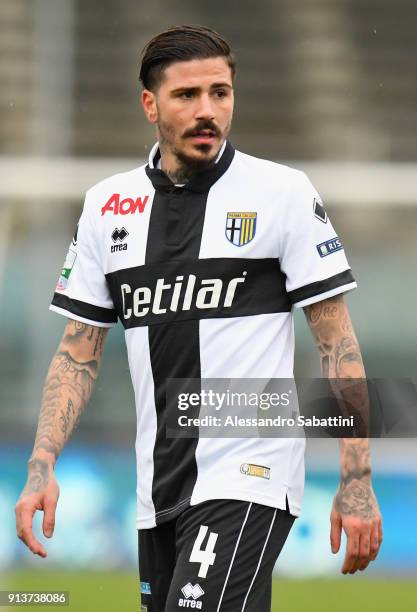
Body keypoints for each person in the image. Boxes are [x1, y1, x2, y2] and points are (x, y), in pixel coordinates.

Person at [15, 24, 382, 612]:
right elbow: (77, 352)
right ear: (150, 104)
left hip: (250, 468)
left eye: (220, 92)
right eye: (187, 96)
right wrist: (41, 465)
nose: (208, 110)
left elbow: (337, 342)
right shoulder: (107, 206)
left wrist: (356, 478)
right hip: (155, 481)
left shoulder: (281, 192)